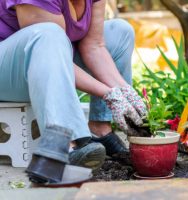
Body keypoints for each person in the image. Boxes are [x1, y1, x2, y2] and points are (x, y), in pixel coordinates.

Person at [0, 0, 146, 182]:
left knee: (120, 32)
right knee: (49, 33)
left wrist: (124, 91)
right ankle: (59, 150)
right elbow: (49, 51)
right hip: (9, 73)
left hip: (47, 59)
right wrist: (109, 93)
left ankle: (100, 131)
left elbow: (94, 46)